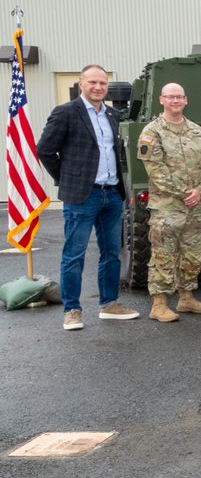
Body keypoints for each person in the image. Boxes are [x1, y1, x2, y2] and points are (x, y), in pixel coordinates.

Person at [36, 64, 140, 330]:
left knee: (111, 253)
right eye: (93, 82)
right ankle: (72, 310)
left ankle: (109, 304)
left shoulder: (114, 116)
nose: (98, 87)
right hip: (82, 196)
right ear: (81, 83)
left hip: (111, 195)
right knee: (74, 254)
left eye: (103, 83)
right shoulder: (66, 113)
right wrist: (68, 178)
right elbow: (45, 151)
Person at [136, 82, 201, 322]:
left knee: (192, 255)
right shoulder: (152, 132)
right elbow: (156, 171)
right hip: (167, 207)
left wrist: (200, 191)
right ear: (161, 100)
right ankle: (159, 304)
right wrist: (184, 193)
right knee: (164, 256)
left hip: (195, 206)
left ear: (186, 100)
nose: (175, 101)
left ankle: (186, 298)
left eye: (179, 97)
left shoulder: (197, 132)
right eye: (170, 97)